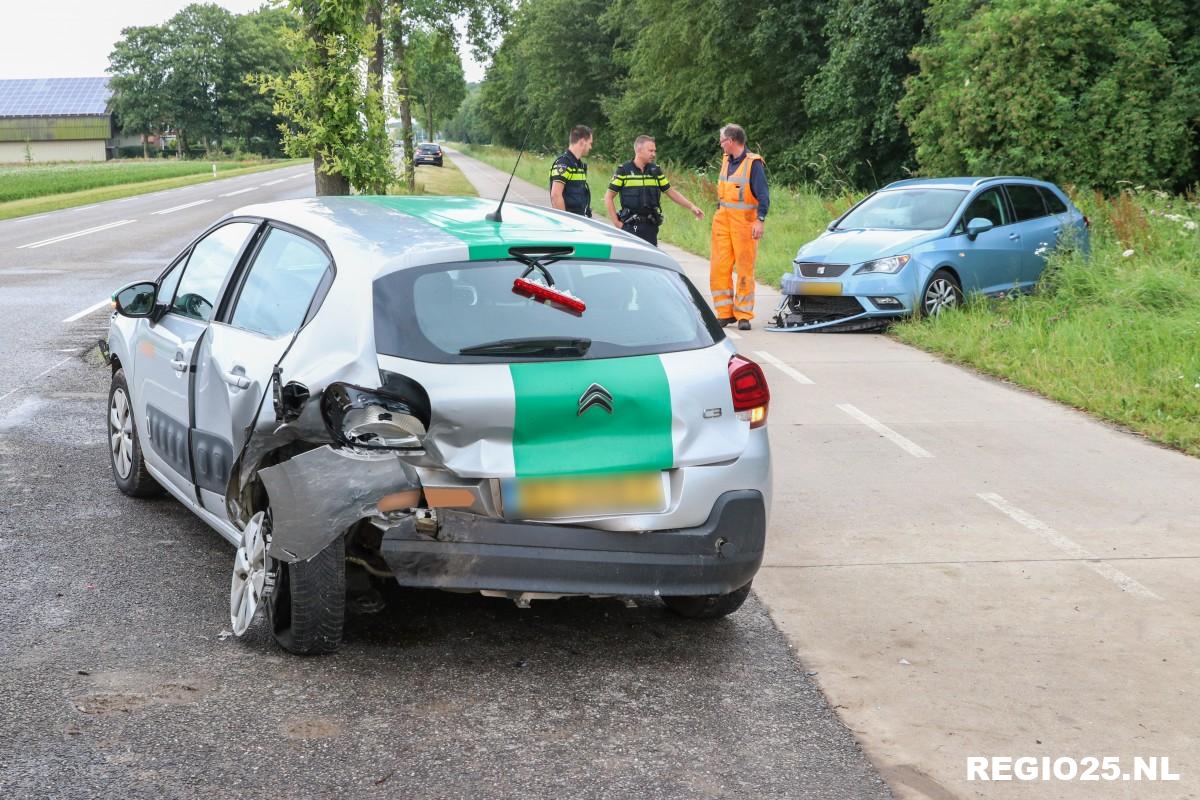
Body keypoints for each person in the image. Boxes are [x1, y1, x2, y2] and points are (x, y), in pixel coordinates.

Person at [710, 123, 769, 330]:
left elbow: (763, 195)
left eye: (722, 141)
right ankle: (725, 313)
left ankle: (743, 314)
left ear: (732, 141)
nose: (721, 146)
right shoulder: (726, 161)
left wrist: (759, 220)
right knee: (719, 267)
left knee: (745, 269)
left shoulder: (754, 164)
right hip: (722, 221)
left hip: (744, 224)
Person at [604, 135, 704, 246]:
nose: (653, 154)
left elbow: (670, 191)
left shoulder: (655, 170)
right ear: (638, 149)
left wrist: (691, 206)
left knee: (649, 262)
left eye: (654, 151)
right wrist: (617, 223)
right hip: (629, 226)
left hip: (650, 227)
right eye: (650, 150)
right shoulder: (624, 170)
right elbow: (608, 197)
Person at [549, 125, 594, 217]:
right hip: (570, 222)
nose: (590, 147)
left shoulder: (578, 165)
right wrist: (565, 221)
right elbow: (556, 195)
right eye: (590, 143)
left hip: (579, 219)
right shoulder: (563, 163)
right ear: (582, 142)